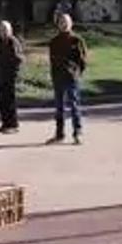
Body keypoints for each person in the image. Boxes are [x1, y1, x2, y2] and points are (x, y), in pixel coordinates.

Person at [47, 12, 88, 145]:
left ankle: (77, 133)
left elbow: (83, 60)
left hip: (71, 78)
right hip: (58, 78)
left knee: (74, 106)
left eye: (66, 22)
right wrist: (53, 75)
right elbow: (52, 61)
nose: (64, 24)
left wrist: (76, 73)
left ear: (71, 24)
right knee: (59, 108)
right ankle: (59, 134)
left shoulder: (77, 40)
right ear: (58, 25)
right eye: (61, 22)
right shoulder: (53, 42)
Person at [0, 20, 24, 134]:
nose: (3, 32)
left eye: (5, 29)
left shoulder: (13, 42)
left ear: (10, 30)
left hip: (10, 77)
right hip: (0, 76)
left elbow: (19, 59)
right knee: (2, 102)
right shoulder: (0, 43)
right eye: (1, 30)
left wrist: (13, 72)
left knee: (10, 102)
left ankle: (13, 124)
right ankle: (5, 123)